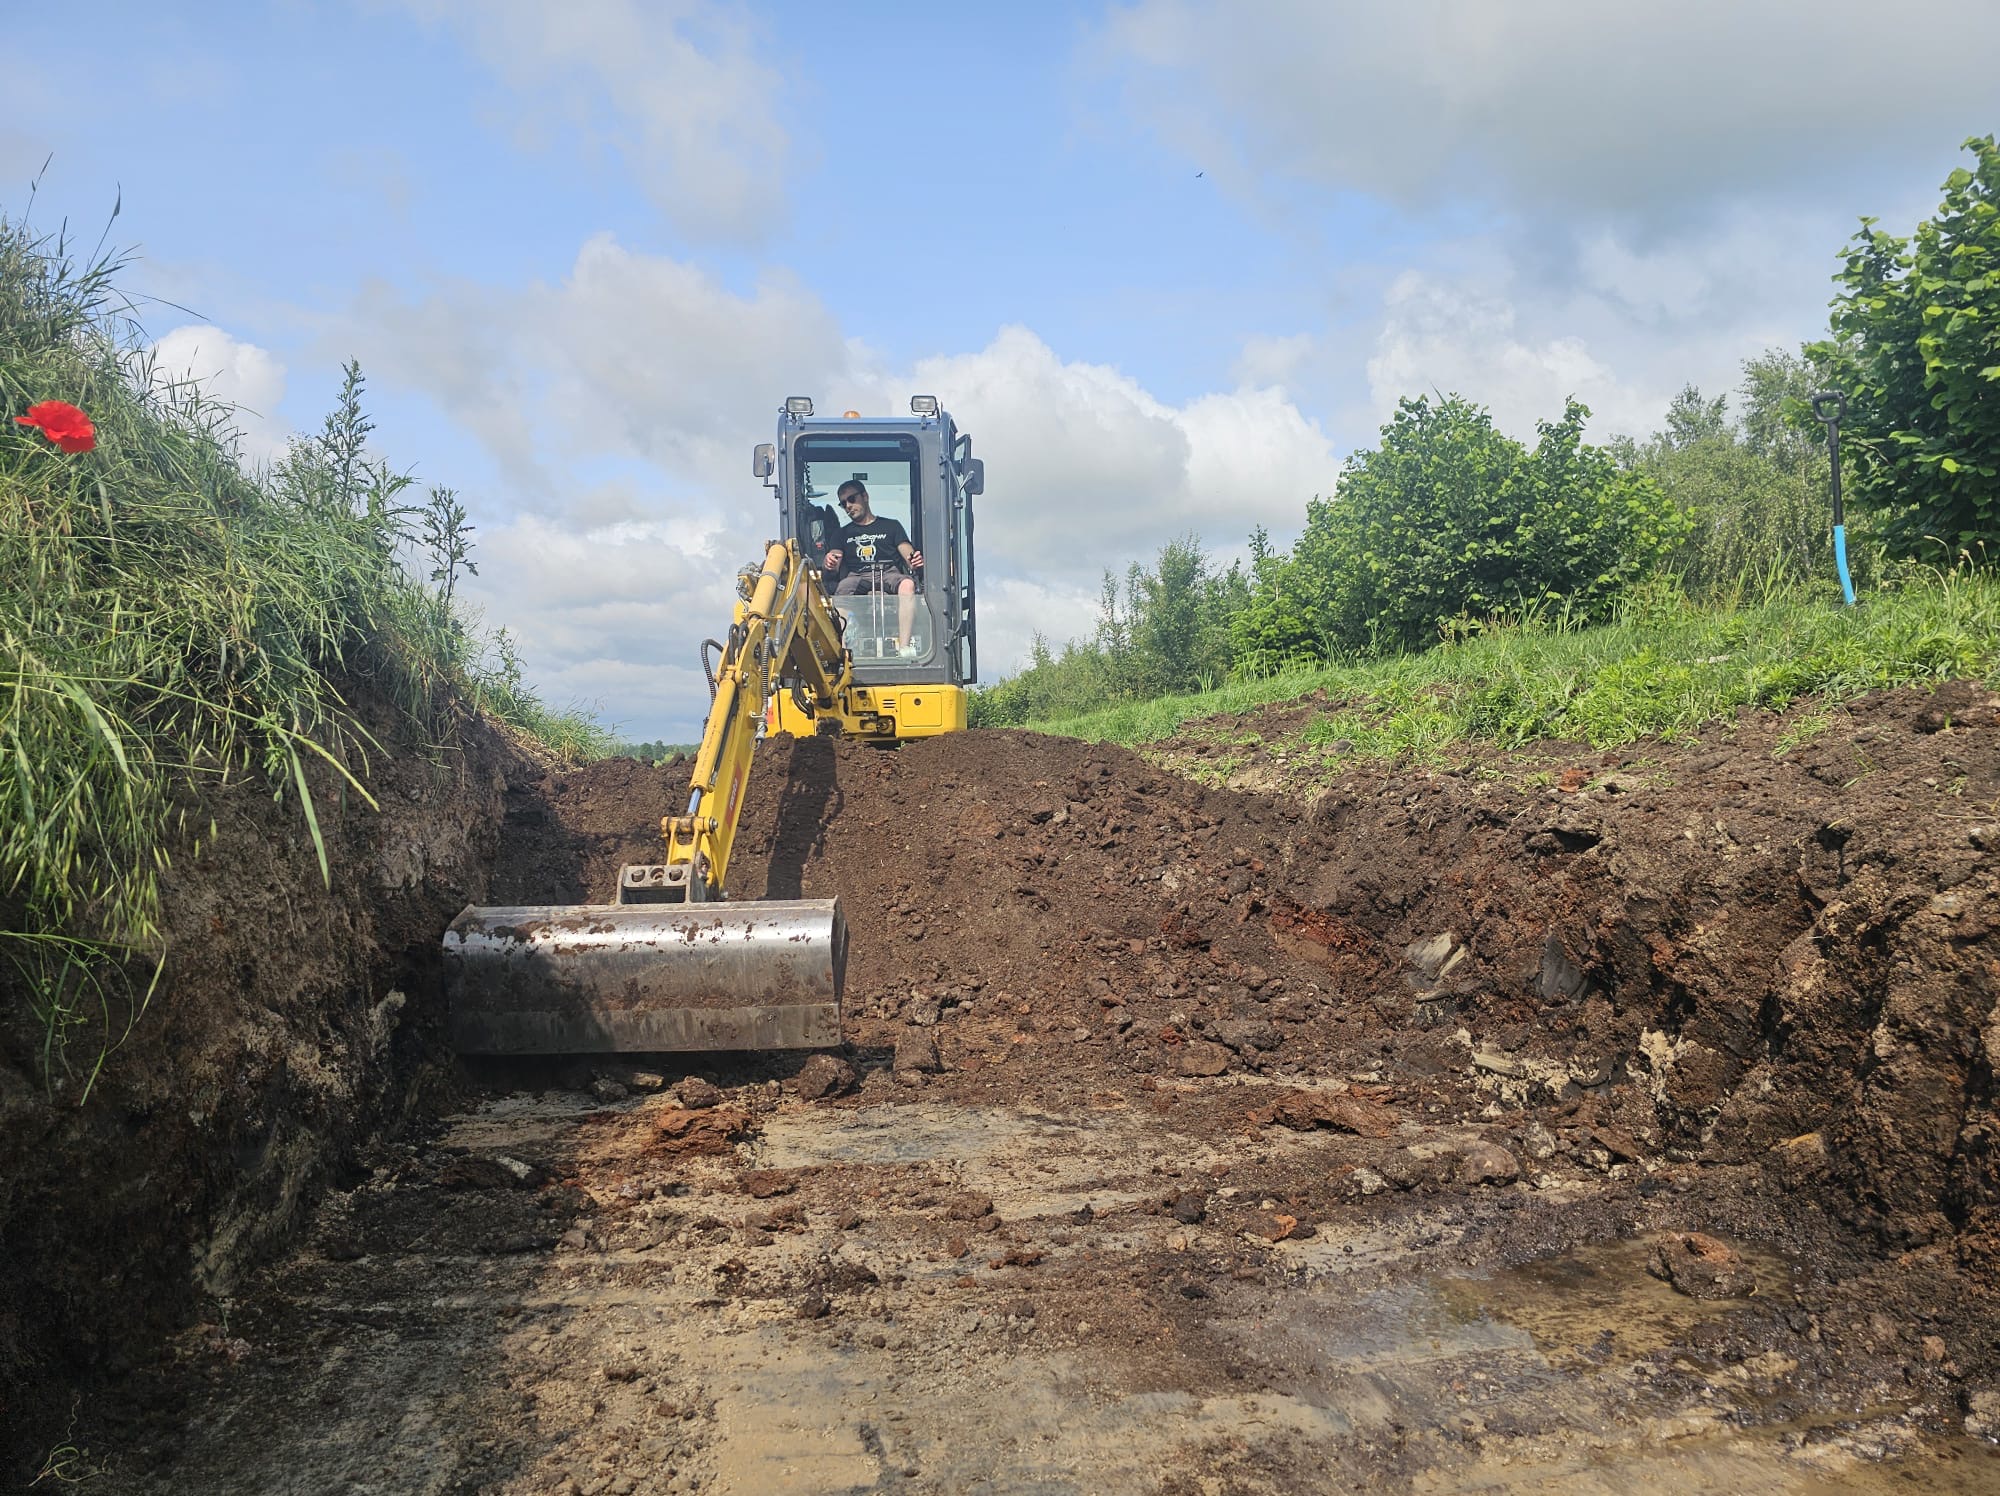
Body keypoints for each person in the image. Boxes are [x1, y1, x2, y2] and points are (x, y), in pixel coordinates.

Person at [822, 479, 924, 658]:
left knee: (907, 585)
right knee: (843, 588)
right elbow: (835, 558)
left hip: (888, 572)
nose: (848, 506)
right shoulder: (842, 534)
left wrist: (914, 560)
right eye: (843, 503)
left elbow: (908, 553)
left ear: (865, 497)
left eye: (852, 499)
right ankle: (845, 651)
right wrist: (829, 561)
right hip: (857, 575)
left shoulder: (891, 526)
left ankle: (904, 647)